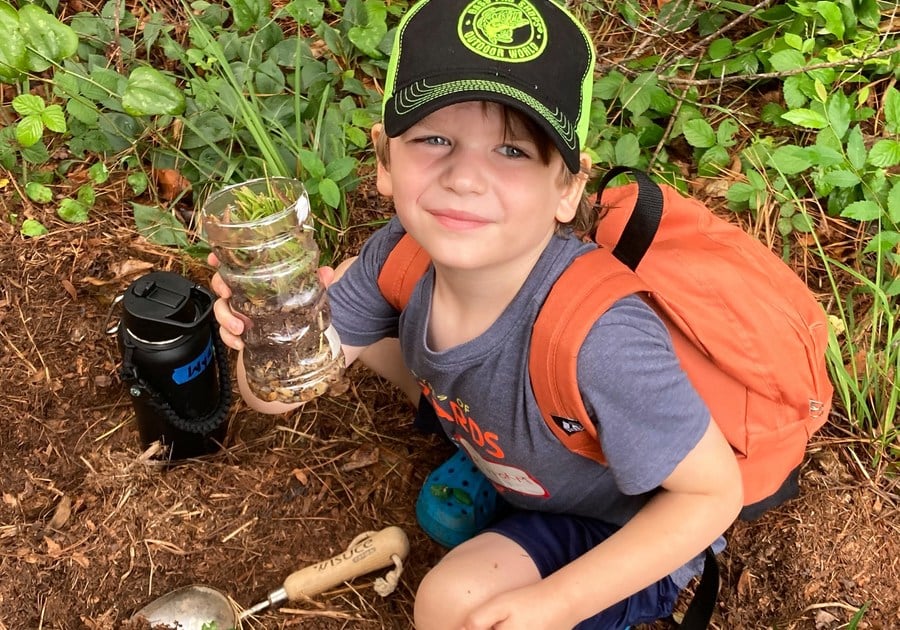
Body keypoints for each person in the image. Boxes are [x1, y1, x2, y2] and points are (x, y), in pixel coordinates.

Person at [211, 1, 744, 628]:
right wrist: (268, 335)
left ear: (568, 186)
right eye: (436, 139)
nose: (465, 177)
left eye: (514, 151)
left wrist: (555, 603)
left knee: (452, 606)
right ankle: (504, 450)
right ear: (385, 159)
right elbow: (275, 398)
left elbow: (712, 494)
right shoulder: (400, 254)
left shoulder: (603, 339)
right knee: (370, 327)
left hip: (621, 521)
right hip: (531, 455)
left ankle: (515, 460)